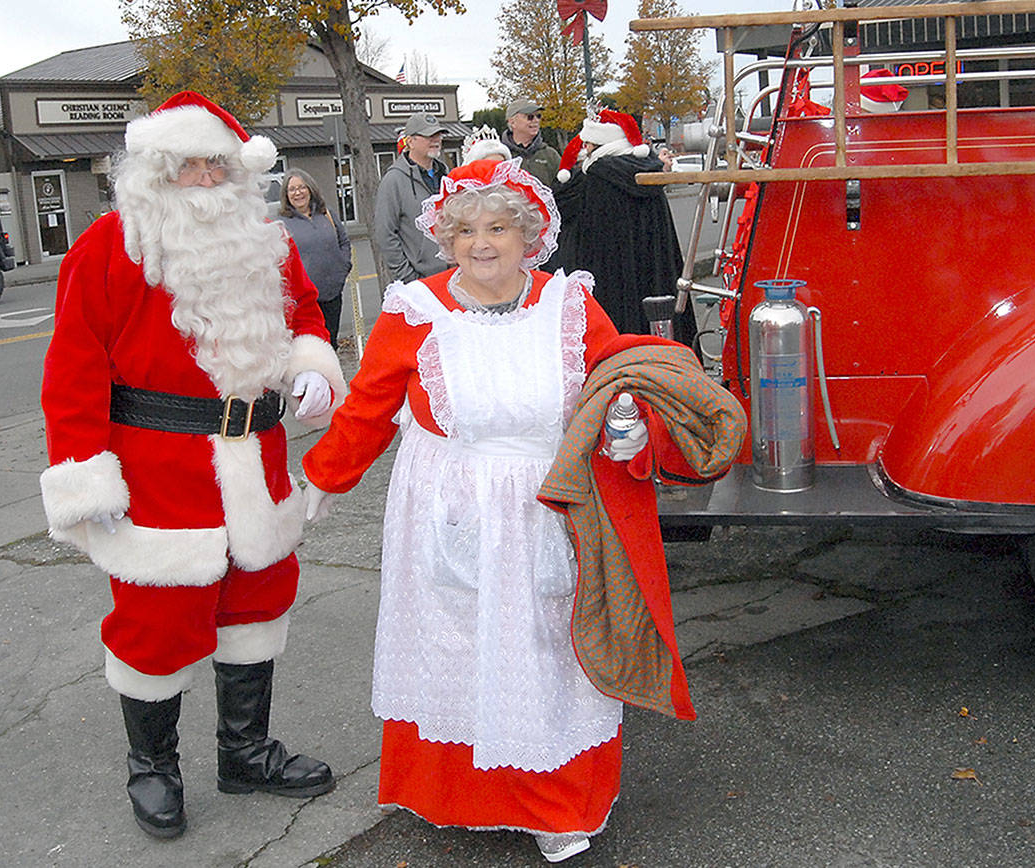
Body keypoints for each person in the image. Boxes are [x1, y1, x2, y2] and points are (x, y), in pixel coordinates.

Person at [300, 158, 743, 863]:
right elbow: (368, 408)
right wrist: (323, 479)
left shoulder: (569, 304)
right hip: (448, 506)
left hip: (549, 506)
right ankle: (455, 793)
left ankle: (557, 805)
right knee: (457, 647)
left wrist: (630, 424)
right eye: (467, 229)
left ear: (529, 234)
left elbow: (617, 379)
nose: (482, 243)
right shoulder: (416, 309)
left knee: (548, 653)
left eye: (499, 227)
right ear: (445, 238)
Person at [39, 91, 347, 839]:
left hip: (259, 464)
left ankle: (245, 754)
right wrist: (87, 477)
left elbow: (305, 311)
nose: (207, 181)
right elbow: (73, 371)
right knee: (157, 624)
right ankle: (154, 768)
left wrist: (310, 361)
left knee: (257, 607)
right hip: (158, 471)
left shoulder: (263, 239)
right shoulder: (110, 246)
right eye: (189, 167)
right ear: (154, 173)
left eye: (217, 165)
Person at [552, 109, 698, 347]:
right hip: (653, 280)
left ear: (593, 145)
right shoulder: (646, 174)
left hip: (608, 287)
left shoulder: (593, 180)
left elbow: (570, 221)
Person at [279, 168, 352, 347]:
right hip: (305, 302)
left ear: (310, 189)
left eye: (302, 187)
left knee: (330, 343)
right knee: (311, 346)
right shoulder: (282, 224)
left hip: (332, 294)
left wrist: (343, 268)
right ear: (286, 195)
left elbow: (344, 241)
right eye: (292, 189)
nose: (298, 193)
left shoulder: (326, 214)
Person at [376, 112, 451, 282]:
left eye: (438, 135)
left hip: (453, 274)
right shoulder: (393, 180)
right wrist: (409, 278)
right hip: (419, 281)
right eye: (428, 136)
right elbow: (385, 235)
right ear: (410, 141)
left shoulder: (446, 175)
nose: (436, 140)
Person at [503, 98, 561, 186]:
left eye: (538, 116)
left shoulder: (550, 155)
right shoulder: (501, 156)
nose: (536, 120)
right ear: (512, 122)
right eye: (530, 117)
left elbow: (565, 190)